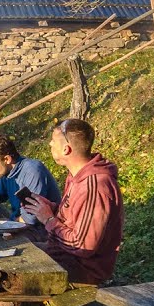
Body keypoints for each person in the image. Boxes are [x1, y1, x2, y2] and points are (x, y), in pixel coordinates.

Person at [22, 118, 124, 286]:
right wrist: (50, 208)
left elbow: (82, 245)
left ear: (66, 149)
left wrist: (48, 219)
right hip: (62, 256)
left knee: (15, 275)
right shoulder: (77, 176)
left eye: (53, 141)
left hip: (82, 270)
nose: (49, 144)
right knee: (17, 250)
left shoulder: (95, 186)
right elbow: (75, 218)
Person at [0, 133, 61, 224]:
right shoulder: (8, 173)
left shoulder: (32, 170)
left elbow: (32, 217)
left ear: (7, 159)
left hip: (43, 232)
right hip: (22, 223)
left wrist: (7, 225)